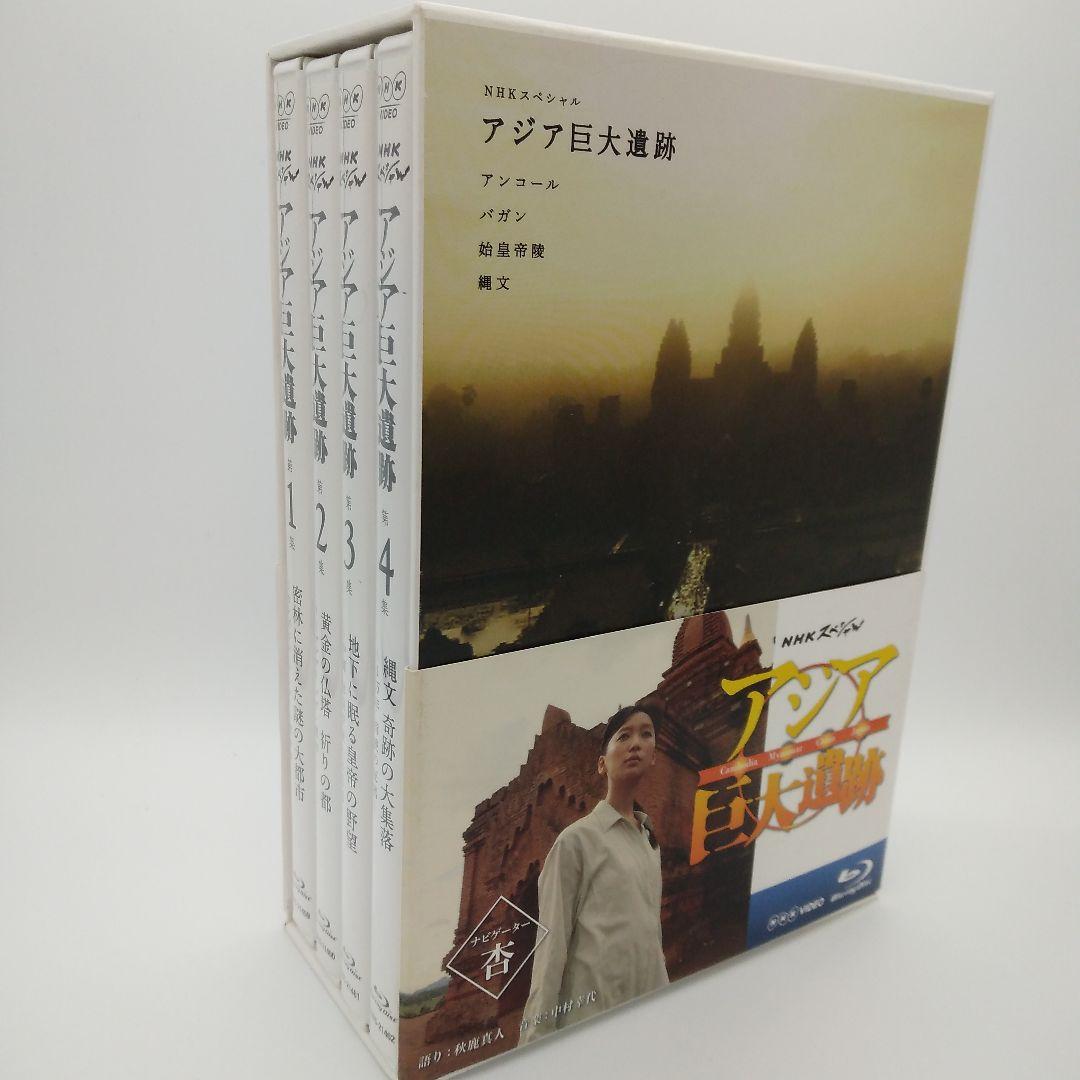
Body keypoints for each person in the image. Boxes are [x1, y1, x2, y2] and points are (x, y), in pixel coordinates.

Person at [518, 702, 669, 1045]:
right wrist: (533, 1044)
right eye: (624, 736)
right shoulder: (576, 841)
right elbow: (550, 946)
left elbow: (651, 937)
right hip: (589, 1023)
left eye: (646, 735)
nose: (636, 744)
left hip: (646, 1020)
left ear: (654, 756)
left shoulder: (650, 843)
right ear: (601, 763)